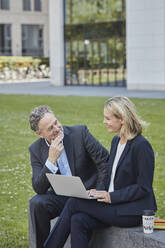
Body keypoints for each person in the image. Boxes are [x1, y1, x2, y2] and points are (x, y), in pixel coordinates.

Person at [43, 96, 157, 248]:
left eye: (108, 118)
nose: (104, 122)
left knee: (74, 202)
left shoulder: (141, 146)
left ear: (122, 119)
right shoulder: (116, 141)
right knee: (78, 219)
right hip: (113, 205)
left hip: (131, 210)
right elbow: (110, 177)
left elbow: (144, 188)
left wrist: (111, 196)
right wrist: (97, 191)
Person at [28, 105, 109, 248]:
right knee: (37, 203)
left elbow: (105, 162)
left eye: (56, 122)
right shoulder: (35, 149)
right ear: (39, 134)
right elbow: (39, 188)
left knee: (77, 216)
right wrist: (51, 161)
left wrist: (100, 190)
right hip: (62, 197)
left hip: (88, 195)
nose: (57, 129)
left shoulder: (80, 133)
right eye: (50, 128)